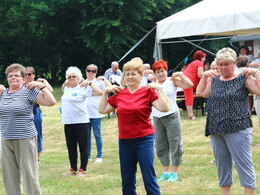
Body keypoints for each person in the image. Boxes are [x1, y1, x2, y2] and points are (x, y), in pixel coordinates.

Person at [99, 59, 170, 195]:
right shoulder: (120, 93)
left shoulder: (148, 91)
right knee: (127, 180)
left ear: (141, 75)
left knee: (149, 178)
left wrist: (159, 89)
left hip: (144, 140)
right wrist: (105, 92)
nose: (130, 77)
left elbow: (165, 107)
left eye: (134, 74)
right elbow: (102, 110)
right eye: (127, 74)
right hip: (125, 142)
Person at [196, 47, 260, 195]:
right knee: (222, 165)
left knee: (243, 164)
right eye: (221, 64)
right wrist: (204, 77)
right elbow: (201, 93)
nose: (223, 67)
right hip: (216, 128)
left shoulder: (243, 77)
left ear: (235, 63)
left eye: (227, 64)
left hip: (238, 128)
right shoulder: (215, 79)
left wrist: (256, 73)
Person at [0, 63, 56, 195]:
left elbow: (51, 102)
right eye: (10, 75)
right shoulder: (3, 94)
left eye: (16, 75)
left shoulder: (28, 92)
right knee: (9, 176)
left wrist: (41, 86)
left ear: (23, 78)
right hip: (6, 138)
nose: (13, 78)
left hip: (25, 138)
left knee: (29, 174)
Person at [151, 60, 193, 182]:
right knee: (160, 145)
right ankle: (165, 171)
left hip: (171, 116)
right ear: (154, 73)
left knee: (175, 143)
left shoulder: (172, 81)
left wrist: (180, 75)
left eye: (162, 71)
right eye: (157, 72)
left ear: (166, 71)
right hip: (157, 117)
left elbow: (189, 85)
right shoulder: (152, 84)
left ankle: (174, 171)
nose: (160, 74)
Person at [61, 66, 102, 176]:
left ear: (79, 78)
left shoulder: (83, 88)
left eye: (74, 76)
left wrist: (89, 83)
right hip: (68, 121)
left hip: (81, 121)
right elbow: (62, 88)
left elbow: (99, 92)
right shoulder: (67, 88)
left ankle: (83, 169)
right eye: (69, 77)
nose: (72, 78)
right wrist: (65, 83)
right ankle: (73, 169)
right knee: (71, 146)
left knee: (83, 146)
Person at [24, 67, 54, 162]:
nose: (27, 76)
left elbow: (50, 91)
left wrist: (42, 82)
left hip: (35, 111)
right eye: (25, 74)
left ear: (33, 75)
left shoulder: (37, 85)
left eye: (29, 74)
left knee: (37, 134)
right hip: (24, 113)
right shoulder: (21, 85)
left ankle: (37, 158)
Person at [85, 64, 111, 163]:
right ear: (86, 71)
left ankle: (99, 155)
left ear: (96, 72)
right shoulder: (83, 82)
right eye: (89, 70)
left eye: (93, 71)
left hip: (95, 112)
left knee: (97, 134)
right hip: (85, 113)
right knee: (87, 136)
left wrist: (104, 79)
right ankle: (87, 156)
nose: (90, 73)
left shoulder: (98, 81)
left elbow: (109, 87)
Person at [183, 50, 206, 119]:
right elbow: (200, 75)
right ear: (201, 57)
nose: (205, 59)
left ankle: (190, 114)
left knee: (189, 96)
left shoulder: (193, 63)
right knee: (189, 96)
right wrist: (206, 75)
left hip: (186, 79)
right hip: (189, 80)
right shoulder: (199, 63)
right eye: (204, 57)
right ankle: (190, 115)